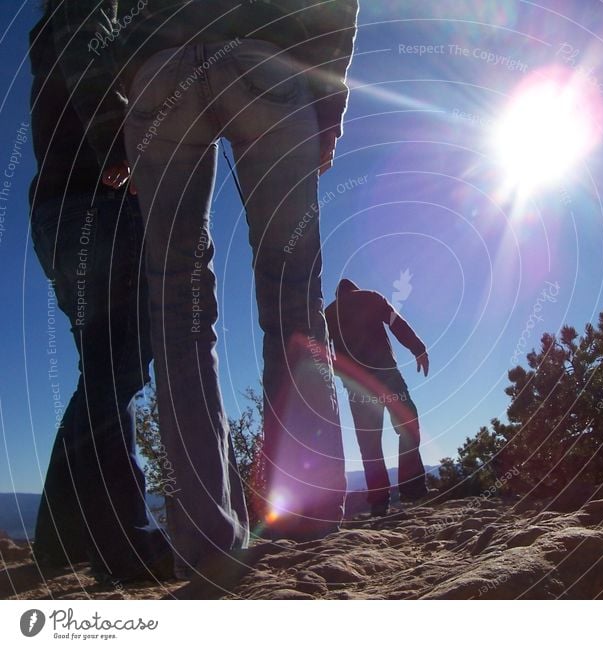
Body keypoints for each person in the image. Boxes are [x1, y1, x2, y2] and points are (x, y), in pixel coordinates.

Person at [113, 0, 358, 564]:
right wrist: (329, 106)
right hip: (266, 60)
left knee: (176, 305)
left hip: (159, 71)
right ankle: (306, 511)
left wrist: (131, 87)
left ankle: (204, 537)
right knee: (292, 287)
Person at [28, 5, 171, 582]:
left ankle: (60, 543)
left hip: (61, 211)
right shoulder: (84, 9)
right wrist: (119, 146)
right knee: (116, 371)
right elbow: (85, 54)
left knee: (104, 371)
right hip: (95, 204)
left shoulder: (55, 29)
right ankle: (129, 545)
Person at [325, 279, 429, 516]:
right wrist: (418, 348)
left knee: (369, 445)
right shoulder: (370, 296)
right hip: (385, 374)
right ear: (354, 288)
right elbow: (395, 322)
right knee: (408, 424)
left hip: (356, 384)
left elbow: (320, 350)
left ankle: (379, 502)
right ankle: (413, 490)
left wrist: (339, 373)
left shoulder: (328, 313)